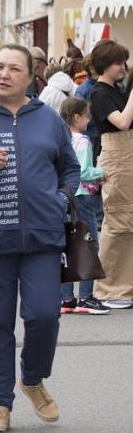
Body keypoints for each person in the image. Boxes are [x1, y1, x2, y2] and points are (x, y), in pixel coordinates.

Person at [0, 44, 80, 433]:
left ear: (31, 75)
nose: (3, 74)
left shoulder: (48, 118)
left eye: (14, 68)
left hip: (44, 238)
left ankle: (32, 379)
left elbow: (71, 168)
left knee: (44, 314)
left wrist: (62, 198)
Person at [87, 39, 133, 309]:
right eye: (119, 62)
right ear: (107, 64)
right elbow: (122, 121)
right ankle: (109, 288)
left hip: (126, 156)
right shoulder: (99, 93)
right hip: (117, 158)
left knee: (128, 222)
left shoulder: (115, 90)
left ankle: (123, 286)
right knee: (117, 224)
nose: (123, 67)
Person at [58, 97, 110, 315]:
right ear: (77, 117)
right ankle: (86, 297)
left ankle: (66, 298)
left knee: (68, 246)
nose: (89, 120)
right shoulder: (83, 141)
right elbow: (84, 172)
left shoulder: (62, 138)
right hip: (83, 198)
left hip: (65, 196)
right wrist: (103, 172)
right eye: (87, 115)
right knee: (89, 246)